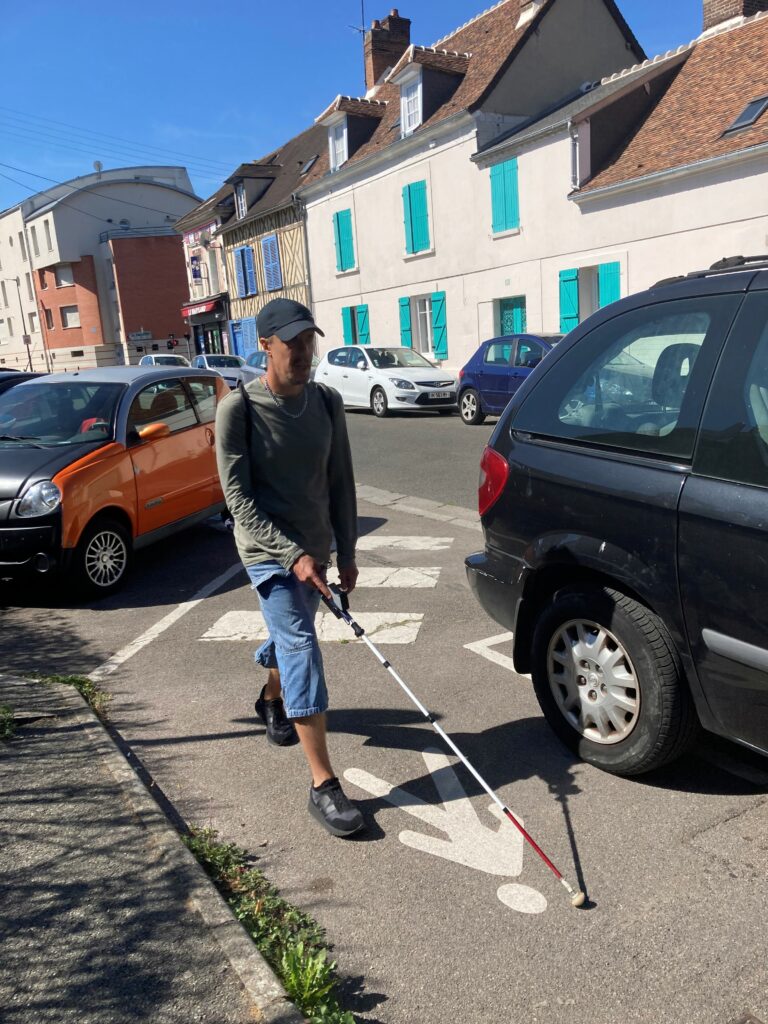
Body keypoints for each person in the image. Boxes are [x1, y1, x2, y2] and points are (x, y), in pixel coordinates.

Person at [215, 298, 364, 838]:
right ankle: (323, 785)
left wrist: (345, 552)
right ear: (265, 344)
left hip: (315, 547)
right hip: (265, 552)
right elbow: (238, 498)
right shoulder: (240, 409)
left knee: (291, 632)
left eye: (309, 341)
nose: (303, 352)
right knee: (301, 643)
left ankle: (272, 696)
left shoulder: (325, 402)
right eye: (291, 342)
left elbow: (342, 482)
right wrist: (291, 555)